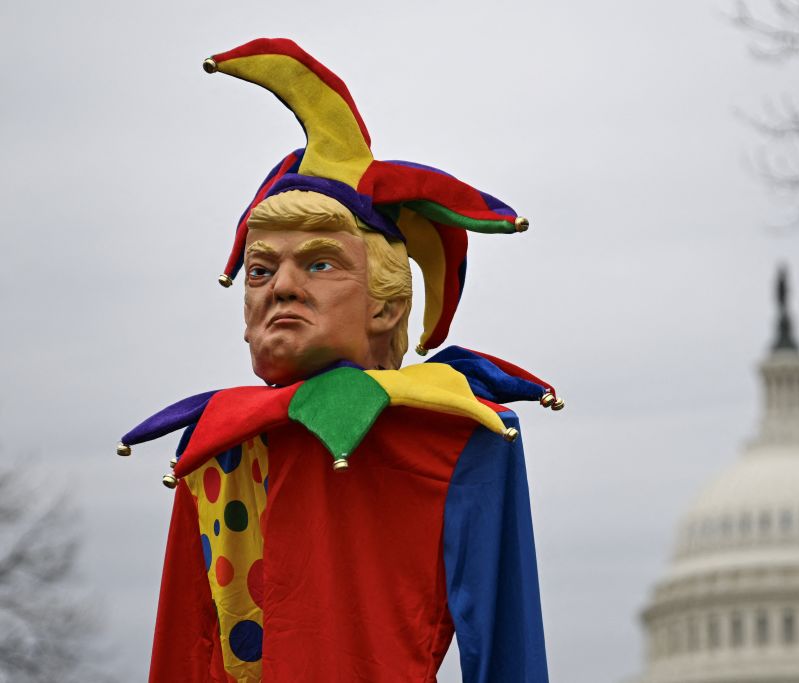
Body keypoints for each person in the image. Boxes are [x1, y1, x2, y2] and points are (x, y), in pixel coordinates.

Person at [118, 38, 562, 683]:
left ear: (385, 305)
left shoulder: (459, 430)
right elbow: (185, 655)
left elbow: (507, 651)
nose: (281, 287)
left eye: (320, 263)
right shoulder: (215, 442)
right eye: (261, 269)